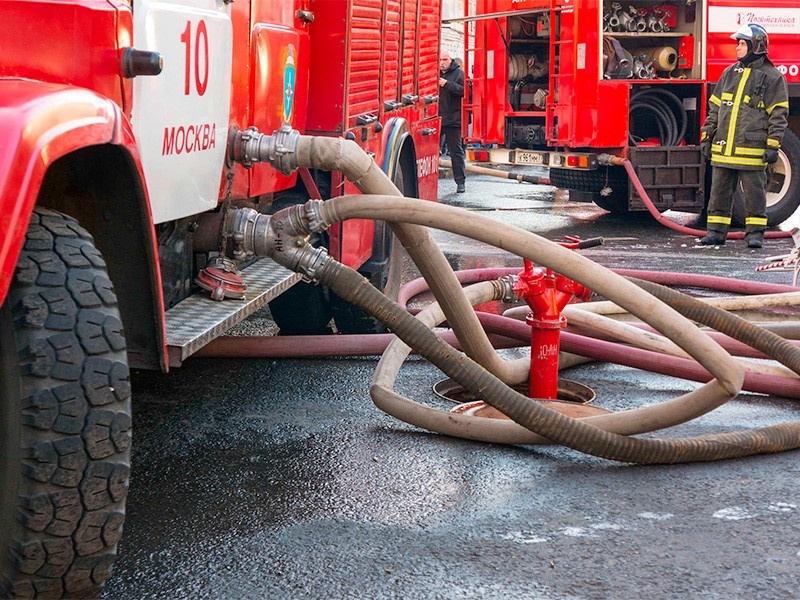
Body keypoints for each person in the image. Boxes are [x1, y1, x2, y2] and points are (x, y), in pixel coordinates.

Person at [699, 23, 789, 249]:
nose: (737, 48)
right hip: (724, 149)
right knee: (718, 193)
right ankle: (715, 232)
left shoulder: (772, 77)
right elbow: (715, 109)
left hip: (752, 151)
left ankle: (755, 234)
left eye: (741, 43)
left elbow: (778, 115)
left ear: (755, 45)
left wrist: (773, 146)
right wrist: (707, 135)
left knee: (754, 195)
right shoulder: (729, 73)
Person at [439, 50, 467, 193]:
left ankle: (460, 183)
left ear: (451, 60)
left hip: (453, 120)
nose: (442, 63)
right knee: (430, 151)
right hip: (437, 119)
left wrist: (447, 84)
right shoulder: (435, 73)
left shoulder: (459, 74)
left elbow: (465, 92)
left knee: (456, 153)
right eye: (440, 60)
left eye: (445, 59)